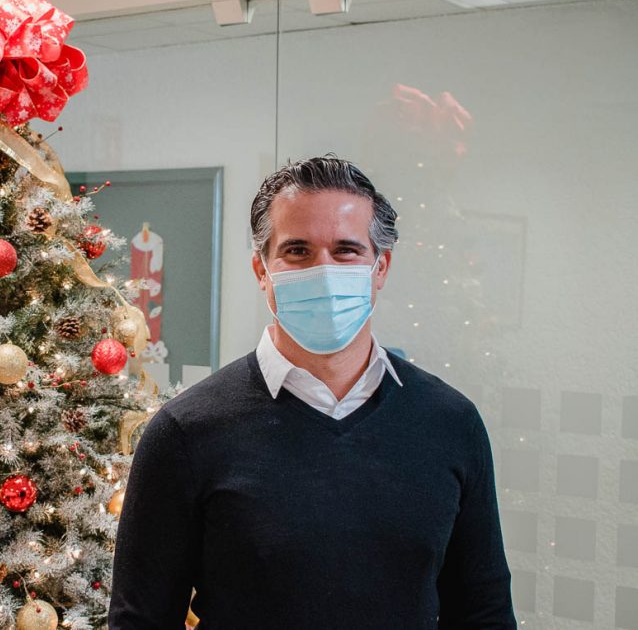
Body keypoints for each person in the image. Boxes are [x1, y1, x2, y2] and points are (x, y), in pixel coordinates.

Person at [107, 156, 516, 629]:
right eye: (297, 251)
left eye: (346, 251)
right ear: (262, 271)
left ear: (380, 268)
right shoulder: (185, 433)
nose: (323, 271)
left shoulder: (451, 423)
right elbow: (140, 622)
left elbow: (484, 614)